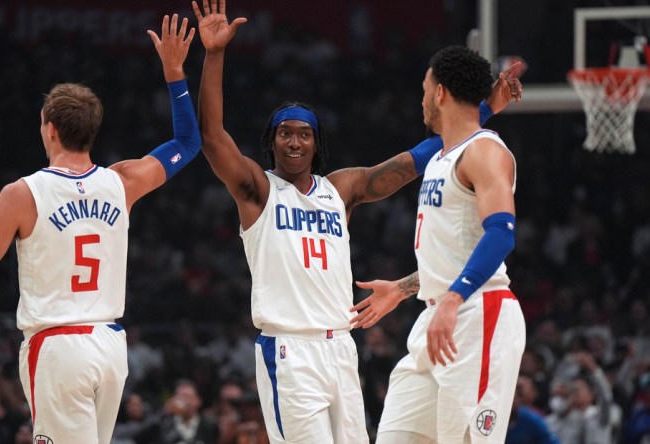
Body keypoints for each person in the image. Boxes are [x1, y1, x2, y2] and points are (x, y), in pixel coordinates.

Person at [192, 1, 522, 442]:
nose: (294, 141)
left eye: (303, 133)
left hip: (343, 349)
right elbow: (213, 137)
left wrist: (481, 112)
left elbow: (423, 156)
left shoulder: (341, 189)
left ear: (316, 142)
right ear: (270, 143)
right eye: (284, 133)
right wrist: (214, 55)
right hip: (291, 349)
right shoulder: (259, 189)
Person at [0, 13, 200, 444]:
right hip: (110, 346)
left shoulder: (22, 194)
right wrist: (174, 74)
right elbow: (188, 143)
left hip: (58, 347)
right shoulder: (122, 182)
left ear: (49, 128)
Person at [352, 45, 526, 443]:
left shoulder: (485, 151)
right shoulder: (441, 157)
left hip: (478, 314)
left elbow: (501, 231)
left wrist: (453, 298)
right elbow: (453, 252)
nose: (422, 100)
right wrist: (402, 288)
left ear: (441, 93)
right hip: (435, 319)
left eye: (425, 89)